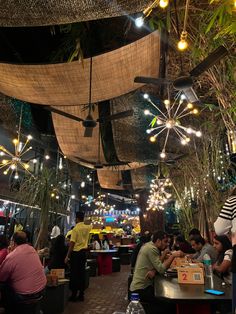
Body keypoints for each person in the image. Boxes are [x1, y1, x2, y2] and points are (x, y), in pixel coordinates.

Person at [130, 230, 184, 312]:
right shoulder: (152, 249)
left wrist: (164, 255)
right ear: (158, 241)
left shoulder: (149, 246)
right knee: (169, 304)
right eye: (165, 242)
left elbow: (157, 263)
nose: (167, 244)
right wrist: (173, 256)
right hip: (141, 289)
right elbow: (161, 269)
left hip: (141, 287)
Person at [0, 231, 46, 312]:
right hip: (41, 290)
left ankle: (8, 309)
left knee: (3, 285)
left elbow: (2, 277)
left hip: (25, 296)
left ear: (13, 242)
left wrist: (10, 254)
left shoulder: (12, 256)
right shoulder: (32, 249)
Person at [65, 211, 92, 302]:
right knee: (82, 273)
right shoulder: (88, 227)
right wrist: (85, 220)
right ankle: (81, 294)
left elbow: (72, 244)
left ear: (76, 218)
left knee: (74, 274)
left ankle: (73, 295)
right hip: (83, 253)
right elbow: (90, 222)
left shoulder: (75, 229)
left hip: (76, 254)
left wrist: (67, 256)